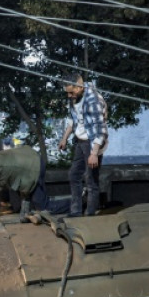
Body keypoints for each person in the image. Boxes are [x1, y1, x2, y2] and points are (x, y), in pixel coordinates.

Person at [58, 73, 109, 217]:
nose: (69, 95)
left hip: (92, 142)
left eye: (71, 92)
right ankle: (76, 211)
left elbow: (101, 129)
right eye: (67, 93)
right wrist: (64, 138)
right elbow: (73, 119)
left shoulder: (93, 100)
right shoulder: (75, 98)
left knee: (91, 179)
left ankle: (90, 214)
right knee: (74, 175)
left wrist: (94, 153)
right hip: (80, 141)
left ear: (79, 86)